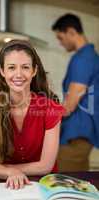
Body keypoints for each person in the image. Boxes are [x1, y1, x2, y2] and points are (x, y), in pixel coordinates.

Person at [0, 39, 64, 189]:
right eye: (12, 67)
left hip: (44, 187)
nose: (18, 74)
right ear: (2, 71)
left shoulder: (50, 109)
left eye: (25, 67)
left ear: (34, 71)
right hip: (2, 186)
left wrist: (3, 169)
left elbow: (45, 166)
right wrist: (0, 169)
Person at [51, 13, 99, 171]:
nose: (60, 43)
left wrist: (45, 115)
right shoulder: (88, 56)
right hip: (79, 133)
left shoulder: (83, 59)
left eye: (60, 37)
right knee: (80, 181)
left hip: (77, 134)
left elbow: (71, 103)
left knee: (65, 182)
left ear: (71, 31)